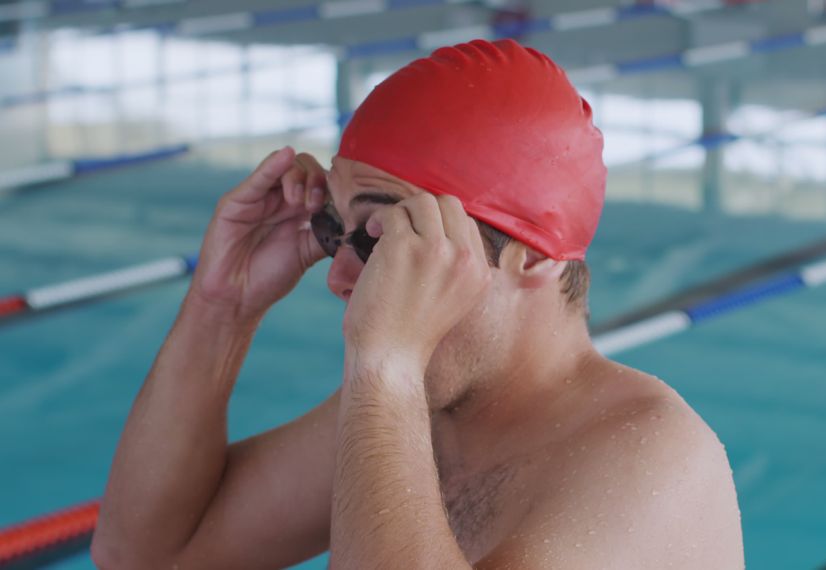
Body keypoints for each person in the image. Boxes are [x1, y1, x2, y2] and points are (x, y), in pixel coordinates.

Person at [90, 39, 743, 569]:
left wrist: (385, 365)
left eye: (383, 235)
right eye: (334, 231)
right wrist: (220, 309)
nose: (339, 275)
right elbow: (144, 555)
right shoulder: (420, 409)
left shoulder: (650, 460)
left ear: (534, 255)